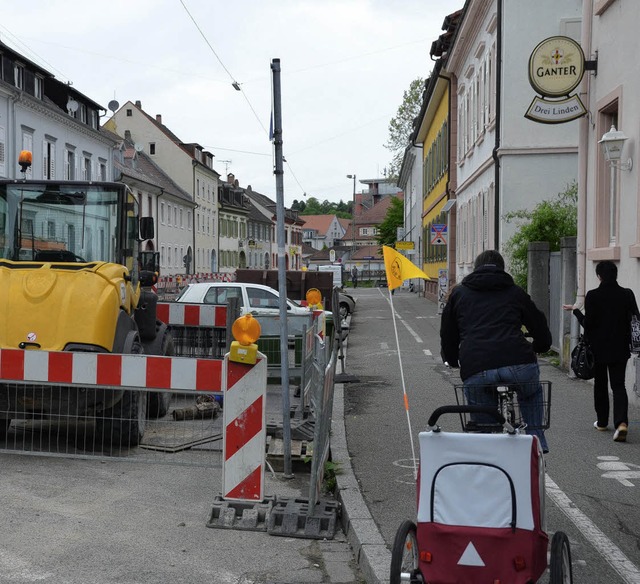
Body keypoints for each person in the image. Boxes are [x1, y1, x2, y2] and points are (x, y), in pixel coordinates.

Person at [440, 250, 552, 453]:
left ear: (475, 268)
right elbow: (539, 325)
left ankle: (487, 452)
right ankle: (537, 442)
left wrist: (452, 358)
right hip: (518, 363)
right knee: (531, 393)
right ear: (502, 269)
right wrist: (539, 347)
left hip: (477, 366)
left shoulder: (459, 294)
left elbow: (448, 333)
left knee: (483, 424)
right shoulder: (515, 292)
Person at [563, 261, 639, 442]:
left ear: (599, 276)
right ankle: (622, 423)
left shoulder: (593, 296)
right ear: (616, 274)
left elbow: (588, 325)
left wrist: (576, 311)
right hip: (620, 348)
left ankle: (603, 421)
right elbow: (636, 319)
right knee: (618, 386)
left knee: (601, 385)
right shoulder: (627, 294)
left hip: (597, 349)